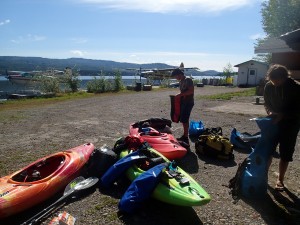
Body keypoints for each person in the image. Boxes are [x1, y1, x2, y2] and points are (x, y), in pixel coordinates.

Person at [264, 64, 300, 191]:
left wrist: (283, 115)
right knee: (268, 149)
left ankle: (280, 179)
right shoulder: (269, 86)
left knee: (286, 152)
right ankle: (264, 175)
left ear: (285, 77)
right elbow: (267, 103)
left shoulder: (295, 87)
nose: (275, 83)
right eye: (273, 81)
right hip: (274, 121)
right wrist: (269, 112)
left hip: (291, 123)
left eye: (278, 81)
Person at [171, 68, 194, 145]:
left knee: (185, 119)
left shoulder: (188, 80)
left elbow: (191, 91)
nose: (175, 78)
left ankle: (185, 136)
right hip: (183, 102)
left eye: (175, 76)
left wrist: (180, 95)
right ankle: (185, 135)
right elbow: (183, 92)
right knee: (183, 119)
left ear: (179, 74)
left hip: (188, 102)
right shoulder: (181, 81)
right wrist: (178, 96)